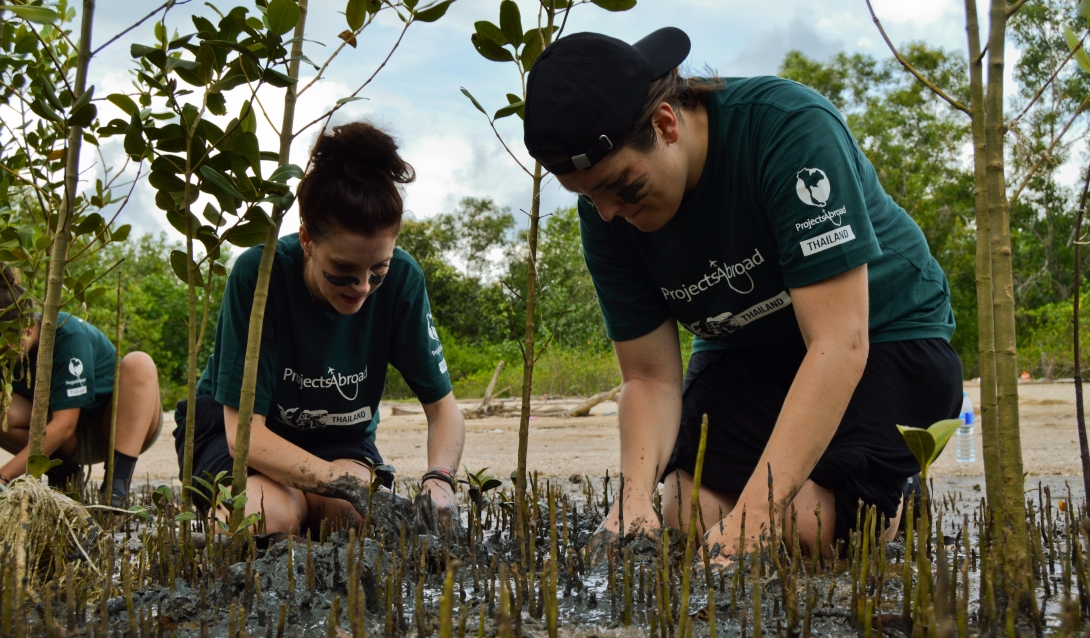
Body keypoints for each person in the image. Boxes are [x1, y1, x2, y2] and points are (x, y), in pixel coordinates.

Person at [522, 28, 962, 561]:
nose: (611, 212)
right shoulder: (606, 209)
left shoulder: (788, 130)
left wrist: (755, 515)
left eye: (624, 188)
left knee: (801, 527)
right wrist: (633, 499)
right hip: (748, 351)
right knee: (687, 513)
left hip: (883, 335)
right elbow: (649, 377)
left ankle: (898, 502)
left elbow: (837, 344)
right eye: (590, 198)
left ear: (666, 124)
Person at [174, 121, 465, 535]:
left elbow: (444, 410)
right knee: (274, 514)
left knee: (354, 516)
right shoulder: (258, 274)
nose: (362, 288)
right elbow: (246, 437)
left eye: (377, 269)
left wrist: (440, 480)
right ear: (308, 239)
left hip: (337, 435)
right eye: (343, 271)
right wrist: (346, 484)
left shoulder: (404, 279)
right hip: (240, 434)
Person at [0, 266, 163, 505]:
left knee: (139, 362)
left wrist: (3, 477)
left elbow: (64, 425)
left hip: (118, 428)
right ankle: (62, 472)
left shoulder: (67, 334)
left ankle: (116, 486)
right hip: (65, 440)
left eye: (4, 347)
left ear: (26, 327)